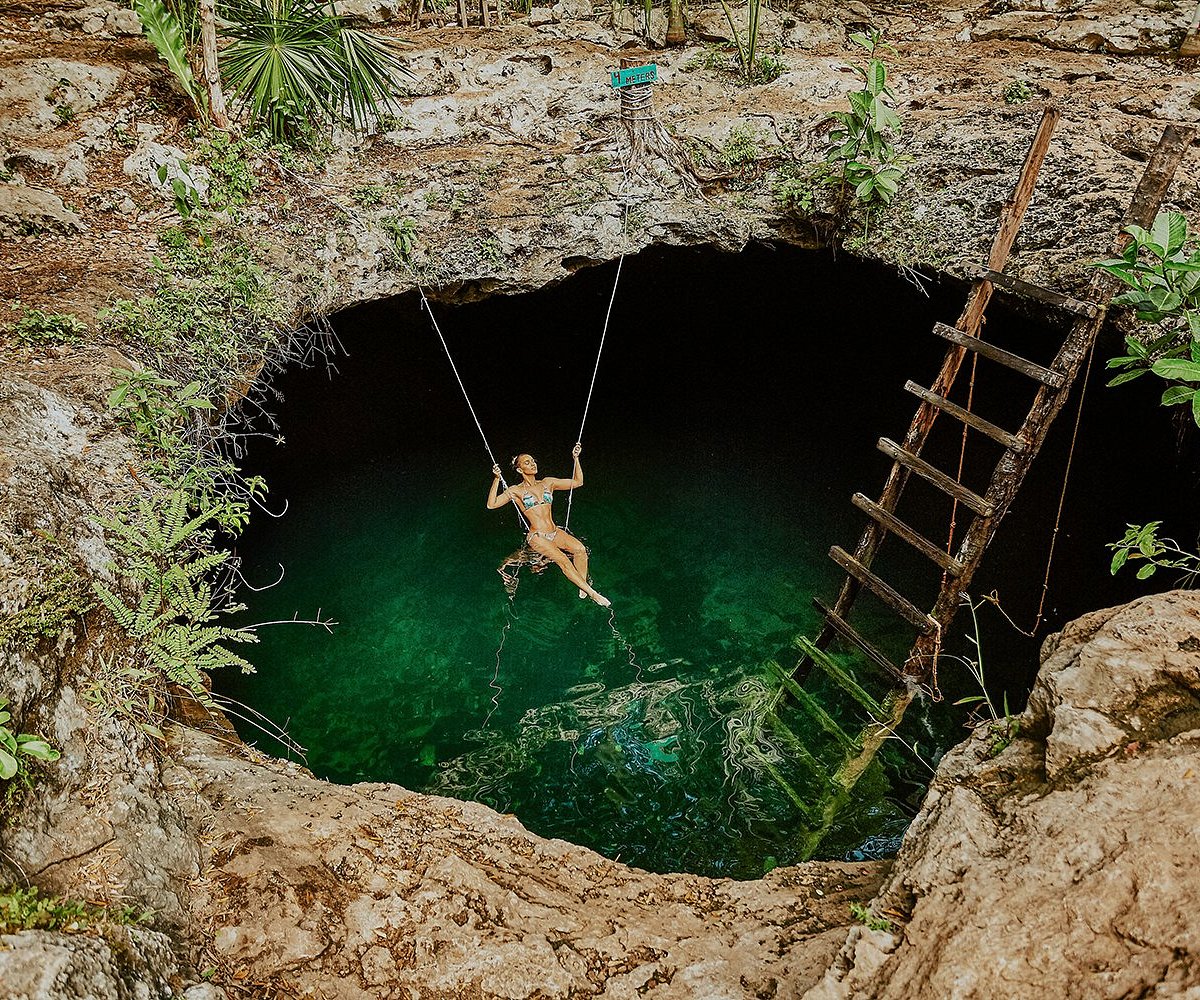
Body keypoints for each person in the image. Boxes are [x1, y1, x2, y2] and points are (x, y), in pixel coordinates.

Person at [487, 443, 610, 607]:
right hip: (537, 537)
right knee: (563, 560)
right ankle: (592, 594)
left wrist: (576, 458)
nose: (532, 464)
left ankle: (582, 586)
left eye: (533, 461)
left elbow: (578, 482)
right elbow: (491, 504)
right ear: (519, 470)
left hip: (555, 532)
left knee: (580, 550)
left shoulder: (548, 483)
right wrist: (496, 479)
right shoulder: (516, 490)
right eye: (527, 462)